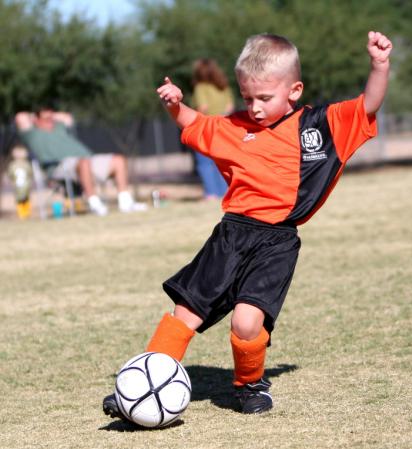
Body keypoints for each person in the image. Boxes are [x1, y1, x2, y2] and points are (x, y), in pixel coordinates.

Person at [103, 30, 392, 418]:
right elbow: (195, 123)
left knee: (247, 321)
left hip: (276, 242)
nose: (254, 107)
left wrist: (379, 64)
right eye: (247, 97)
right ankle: (142, 383)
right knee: (185, 312)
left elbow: (368, 105)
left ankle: (249, 384)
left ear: (294, 90)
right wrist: (176, 105)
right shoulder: (235, 127)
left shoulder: (320, 126)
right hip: (231, 234)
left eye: (264, 98)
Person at [15, 107, 147, 216]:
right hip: (59, 165)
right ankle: (94, 204)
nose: (50, 121)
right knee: (83, 163)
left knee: (118, 160)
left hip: (87, 160)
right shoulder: (31, 133)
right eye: (46, 119)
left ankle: (125, 203)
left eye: (51, 118)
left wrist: (51, 115)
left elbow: (68, 118)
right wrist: (38, 115)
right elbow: (20, 117)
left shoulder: (59, 127)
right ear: (36, 120)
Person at [191, 58, 234, 199]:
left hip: (207, 127)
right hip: (224, 126)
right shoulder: (223, 86)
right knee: (221, 162)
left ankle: (211, 193)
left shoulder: (200, 87)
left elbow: (203, 108)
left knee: (205, 163)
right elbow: (230, 106)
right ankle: (225, 191)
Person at [7, 145, 33, 219]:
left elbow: (30, 173)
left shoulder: (24, 164)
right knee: (21, 199)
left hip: (23, 185)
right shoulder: (15, 165)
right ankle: (23, 214)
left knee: (23, 199)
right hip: (20, 185)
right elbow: (10, 175)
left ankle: (25, 213)